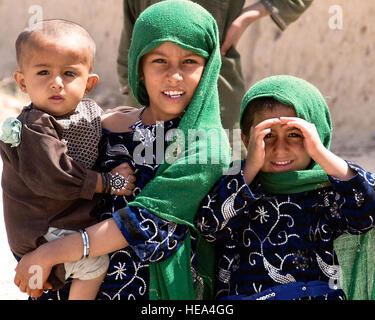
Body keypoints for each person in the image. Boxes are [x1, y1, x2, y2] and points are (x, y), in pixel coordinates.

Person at [13, 1, 231, 300]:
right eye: (159, 61)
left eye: (190, 61)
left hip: (147, 291)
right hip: (68, 279)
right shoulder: (106, 122)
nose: (174, 75)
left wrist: (50, 253)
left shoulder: (206, 145)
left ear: (209, 68)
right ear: (138, 66)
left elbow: (147, 221)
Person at [194, 75, 375, 300]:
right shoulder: (239, 186)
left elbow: (368, 210)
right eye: (268, 136)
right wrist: (249, 167)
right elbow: (208, 226)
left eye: (294, 135)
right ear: (245, 138)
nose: (280, 149)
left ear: (318, 135)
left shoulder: (328, 191)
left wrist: (321, 154)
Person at [0, 19, 135, 300]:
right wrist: (107, 182)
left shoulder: (81, 112)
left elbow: (98, 120)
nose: (57, 83)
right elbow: (55, 177)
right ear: (23, 82)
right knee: (94, 264)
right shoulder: (34, 127)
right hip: (41, 228)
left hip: (58, 222)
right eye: (43, 72)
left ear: (89, 84)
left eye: (69, 73)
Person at [117, 0, 313, 133]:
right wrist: (128, 74)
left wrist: (245, 18)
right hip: (150, 86)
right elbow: (133, 16)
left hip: (218, 89)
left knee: (222, 173)